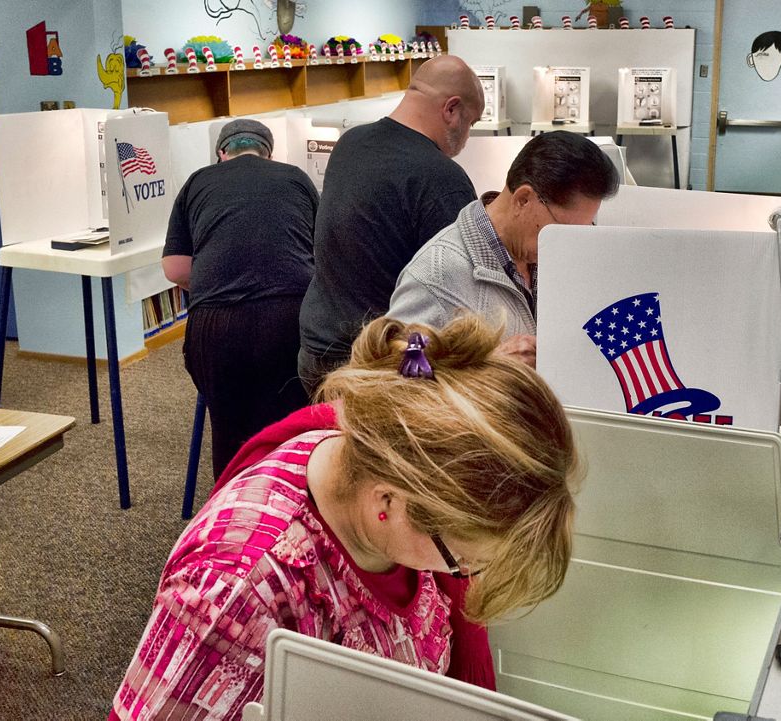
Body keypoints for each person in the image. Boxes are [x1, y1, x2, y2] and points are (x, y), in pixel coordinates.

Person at [111, 314, 578, 720]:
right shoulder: (236, 591)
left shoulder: (379, 458)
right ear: (389, 503)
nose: (467, 578)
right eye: (464, 562)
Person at [297, 55, 484, 395]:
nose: (467, 137)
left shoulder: (350, 143)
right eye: (470, 122)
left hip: (316, 346)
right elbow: (462, 291)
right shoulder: (441, 178)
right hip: (379, 361)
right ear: (451, 109)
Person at [162, 119, 317, 479]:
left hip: (218, 326)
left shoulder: (197, 182)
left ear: (221, 153)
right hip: (289, 317)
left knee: (230, 432)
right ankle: (290, 508)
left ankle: (234, 514)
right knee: (291, 426)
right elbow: (322, 252)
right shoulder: (295, 177)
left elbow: (174, 268)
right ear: (269, 152)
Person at [387, 131, 619, 368]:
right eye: (564, 228)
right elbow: (393, 376)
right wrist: (489, 365)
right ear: (523, 199)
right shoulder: (436, 277)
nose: (570, 242)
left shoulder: (544, 255)